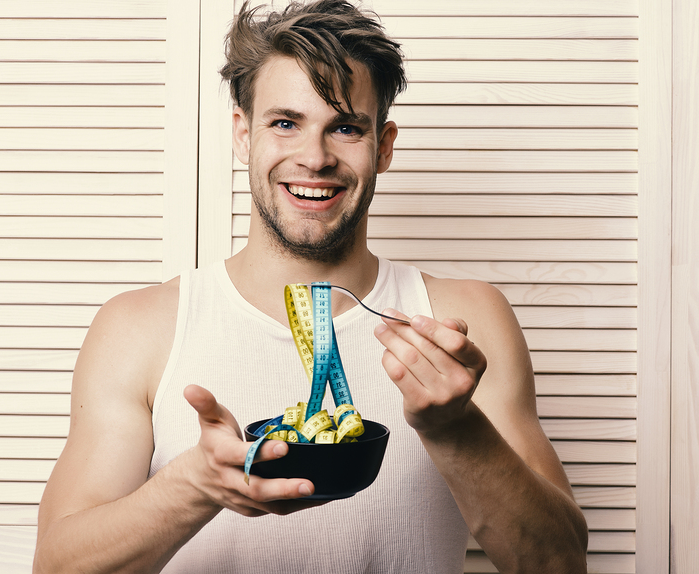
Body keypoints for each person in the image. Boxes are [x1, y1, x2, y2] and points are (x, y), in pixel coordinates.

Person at [33, 1, 588, 572]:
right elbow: (57, 565)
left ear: (384, 145)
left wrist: (456, 428)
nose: (314, 158)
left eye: (345, 127)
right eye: (285, 123)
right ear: (244, 135)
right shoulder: (139, 328)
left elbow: (558, 564)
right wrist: (193, 485)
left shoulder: (461, 318)